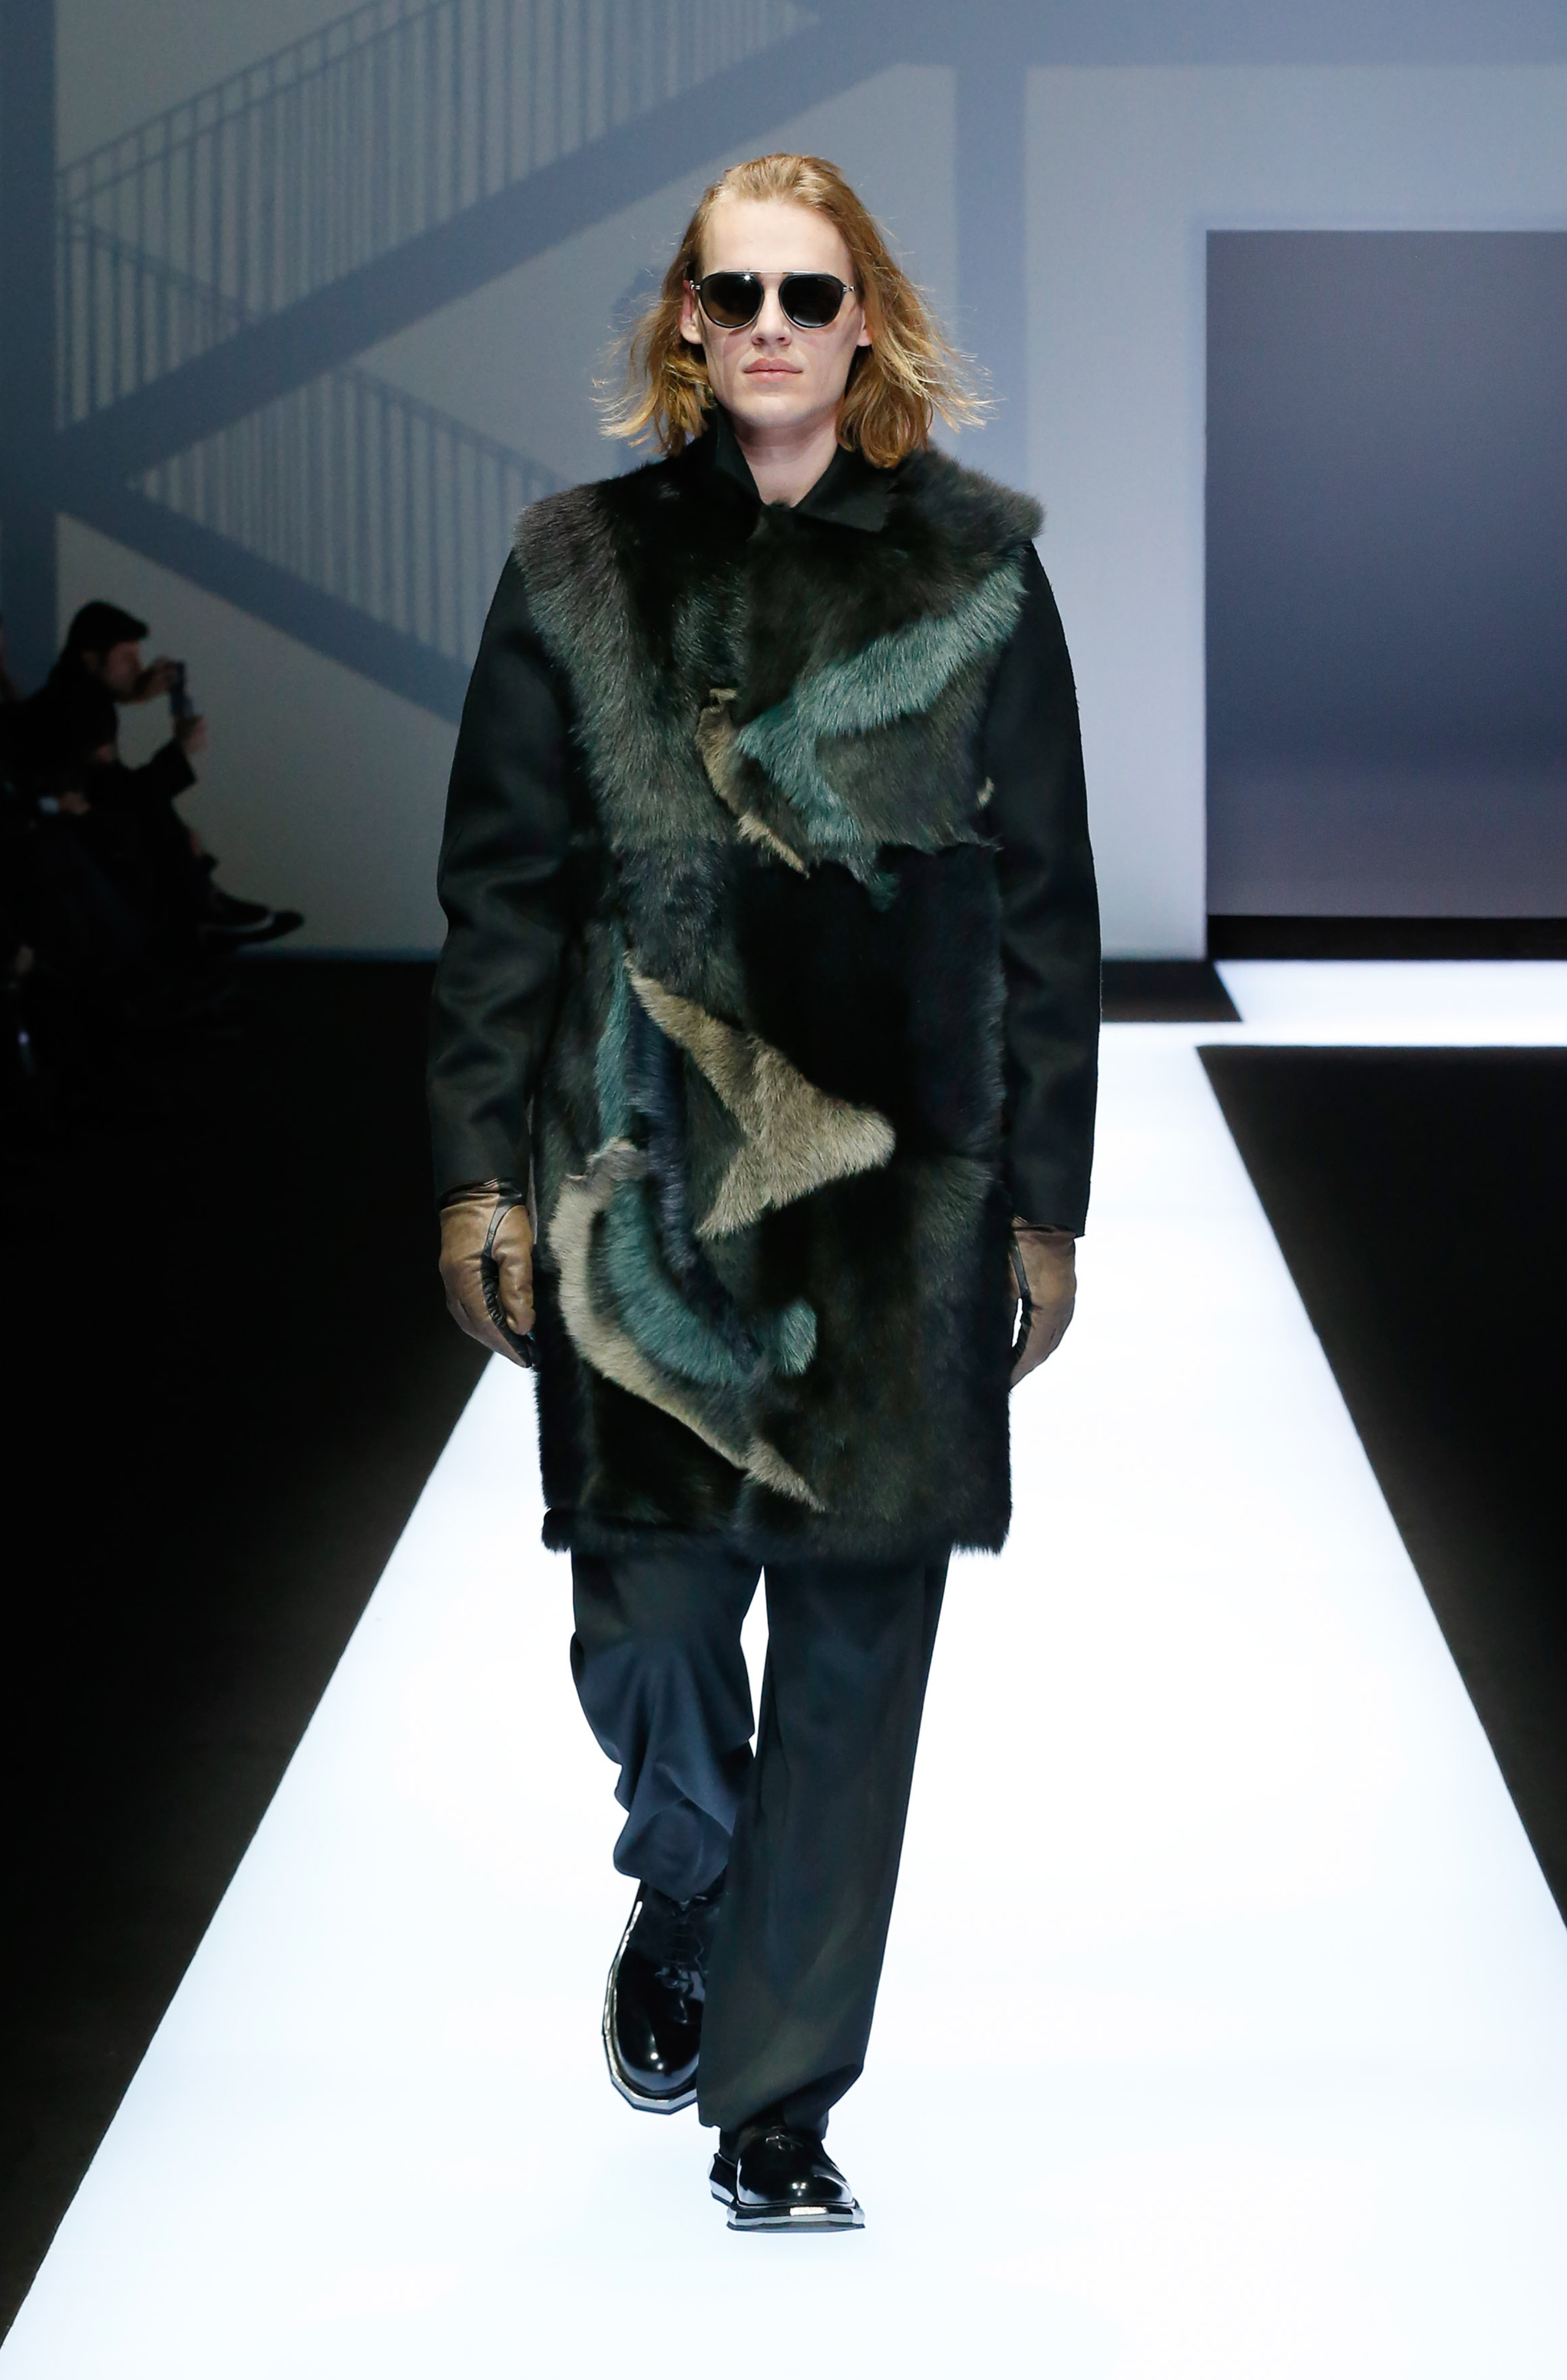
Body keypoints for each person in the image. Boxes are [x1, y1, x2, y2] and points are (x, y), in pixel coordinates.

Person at [428, 153, 1099, 2233]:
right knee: (642, 1624)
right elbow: (500, 887)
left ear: (864, 316)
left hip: (900, 1186)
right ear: (688, 324)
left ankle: (781, 2100)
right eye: (740, 293)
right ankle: (690, 1868)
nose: (777, 328)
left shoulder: (977, 566)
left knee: (853, 1661)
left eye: (814, 293)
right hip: (638, 1163)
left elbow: (1047, 907)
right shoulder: (574, 564)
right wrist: (474, 1170)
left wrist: (1044, 1199)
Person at [19, 602, 300, 962]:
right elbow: (118, 796)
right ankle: (203, 910)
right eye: (126, 658)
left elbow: (117, 787)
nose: (138, 668)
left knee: (161, 820)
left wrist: (130, 697)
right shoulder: (79, 709)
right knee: (152, 820)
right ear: (91, 660)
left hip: (88, 829)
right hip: (81, 837)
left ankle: (205, 909)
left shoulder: (79, 698)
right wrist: (179, 754)